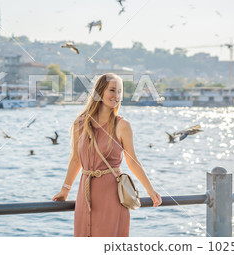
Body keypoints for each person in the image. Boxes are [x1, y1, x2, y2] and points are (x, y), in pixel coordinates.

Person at [52, 73, 162, 237]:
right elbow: (76, 160)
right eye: (112, 90)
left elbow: (132, 161)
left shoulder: (122, 125)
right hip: (85, 194)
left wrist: (150, 190)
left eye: (119, 92)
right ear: (99, 92)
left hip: (112, 195)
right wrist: (65, 190)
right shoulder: (80, 123)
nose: (116, 96)